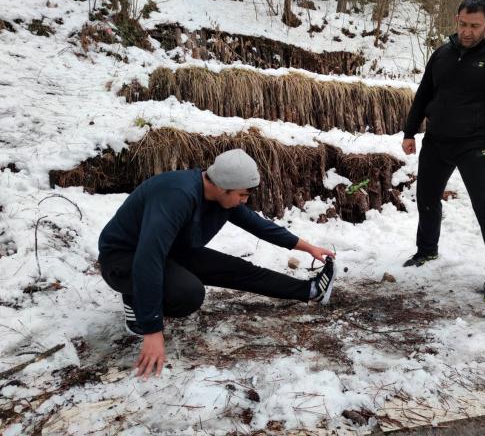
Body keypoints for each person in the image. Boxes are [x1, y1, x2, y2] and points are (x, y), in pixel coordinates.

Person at [98, 149, 336, 379]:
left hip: (170, 251)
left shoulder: (221, 198)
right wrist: (152, 330)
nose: (244, 201)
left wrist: (308, 247)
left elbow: (259, 226)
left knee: (237, 269)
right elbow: (148, 257)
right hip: (124, 259)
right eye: (242, 195)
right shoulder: (177, 195)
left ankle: (310, 291)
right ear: (223, 187)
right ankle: (136, 306)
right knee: (188, 294)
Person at [401, 0, 485, 303]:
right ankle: (427, 251)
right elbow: (423, 94)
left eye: (475, 25)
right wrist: (410, 131)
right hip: (436, 141)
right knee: (427, 199)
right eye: (462, 24)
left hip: (475, 145)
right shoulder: (443, 53)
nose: (467, 32)